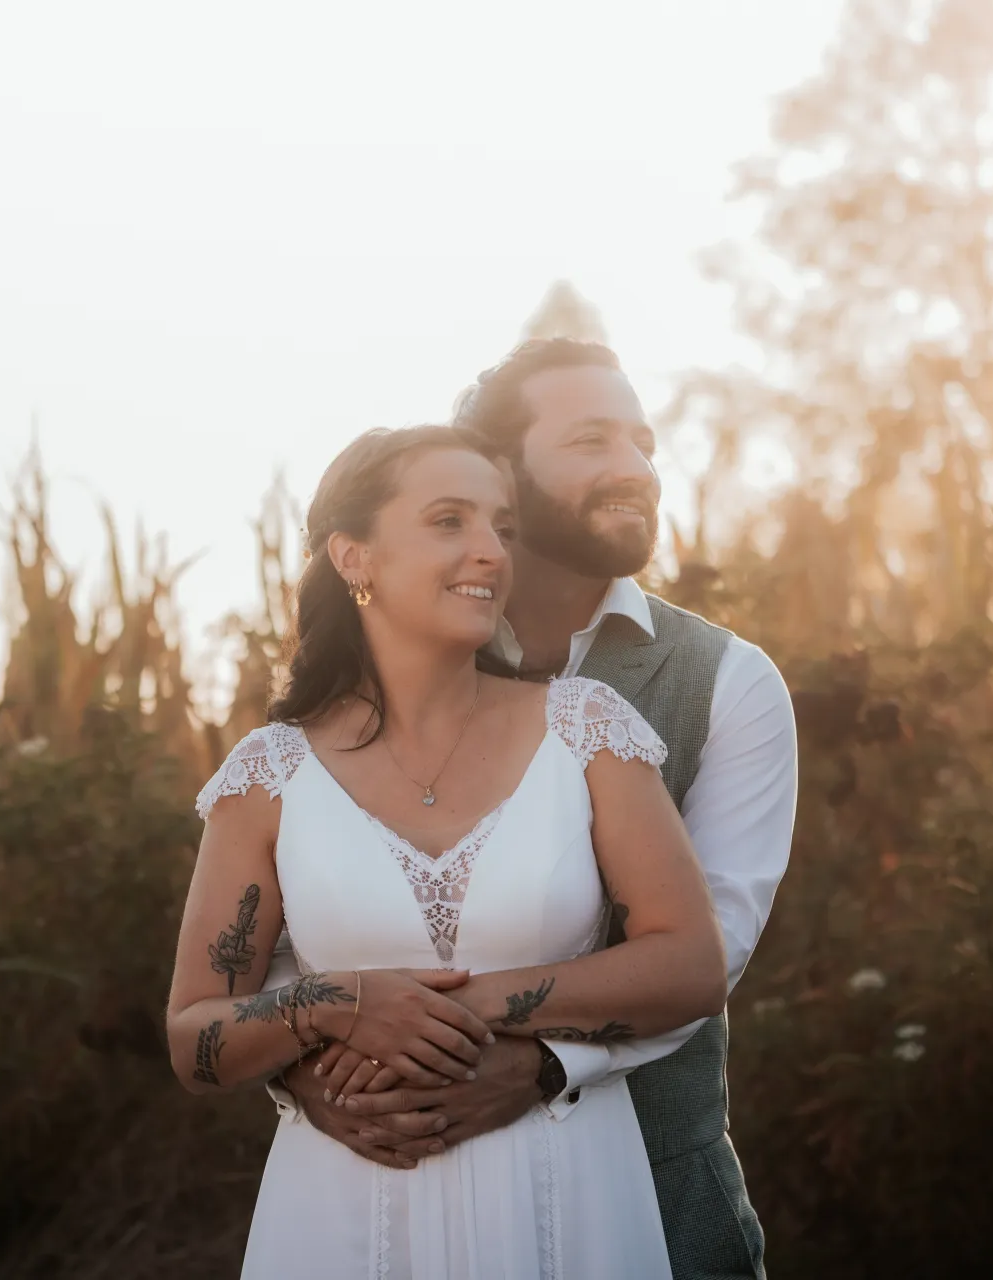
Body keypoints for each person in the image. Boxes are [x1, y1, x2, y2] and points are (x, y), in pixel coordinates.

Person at [262, 340, 798, 1278]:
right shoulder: (368, 682)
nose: (635, 468)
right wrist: (308, 1076)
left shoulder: (729, 684)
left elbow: (712, 945)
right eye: (592, 439)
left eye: (644, 442)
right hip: (382, 1174)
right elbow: (275, 943)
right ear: (495, 469)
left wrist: (547, 1064)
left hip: (657, 1193)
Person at [166, 422, 728, 1277]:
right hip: (344, 1216)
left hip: (564, 1198)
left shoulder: (586, 731)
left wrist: (440, 1011)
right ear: (354, 557)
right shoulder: (268, 776)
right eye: (448, 521)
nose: (491, 552)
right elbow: (194, 1035)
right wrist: (335, 1003)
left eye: (501, 526)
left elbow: (690, 966)